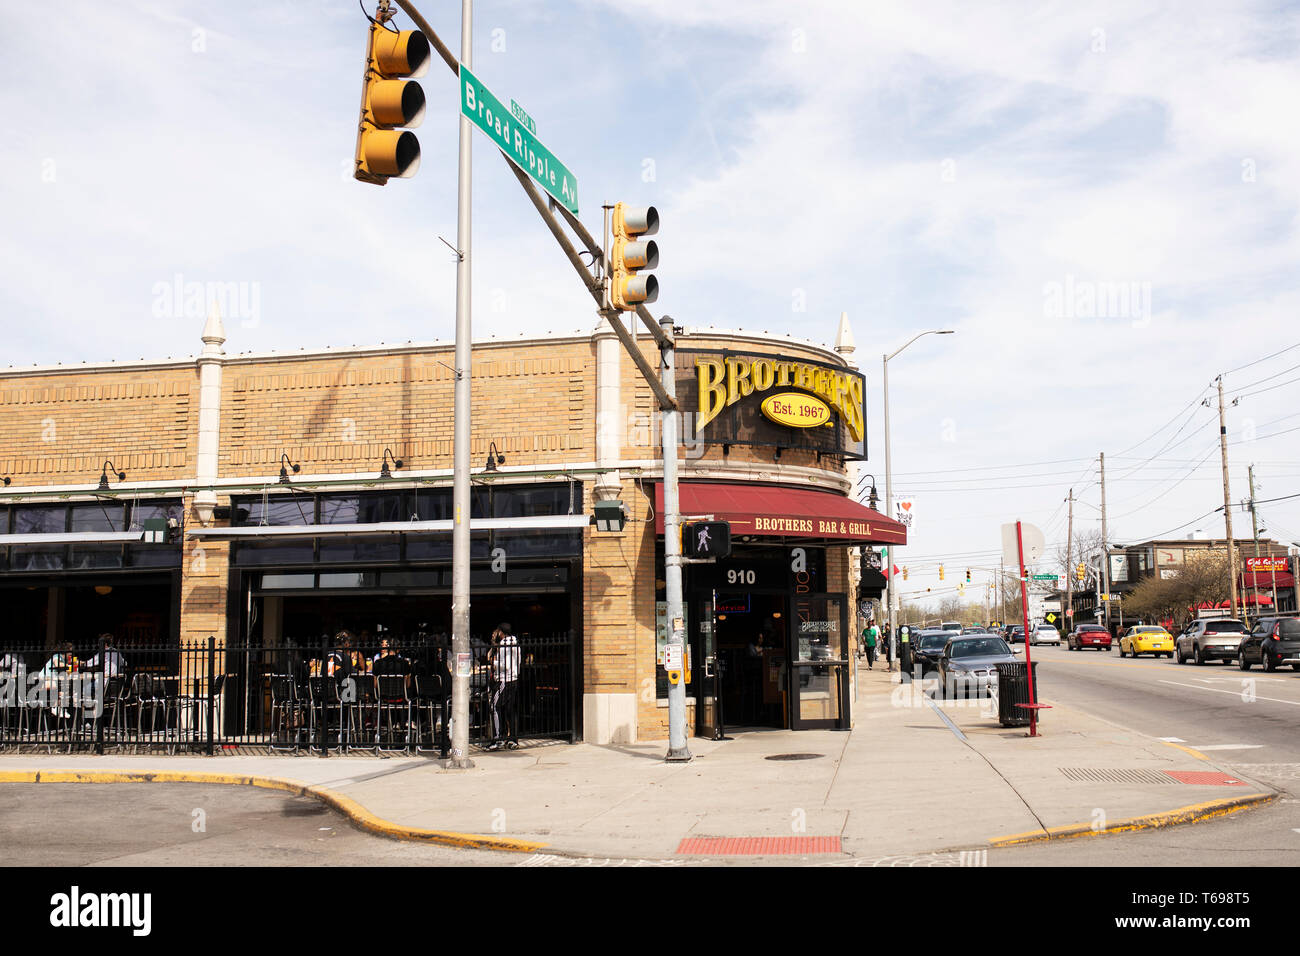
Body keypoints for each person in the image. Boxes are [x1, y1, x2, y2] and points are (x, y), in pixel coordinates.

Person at [486, 623, 520, 751]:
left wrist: (492, 662)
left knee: (494, 706)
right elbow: (518, 661)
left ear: (501, 632)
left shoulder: (505, 644)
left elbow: (505, 665)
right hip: (514, 679)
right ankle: (512, 739)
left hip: (504, 680)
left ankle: (497, 739)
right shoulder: (515, 643)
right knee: (509, 709)